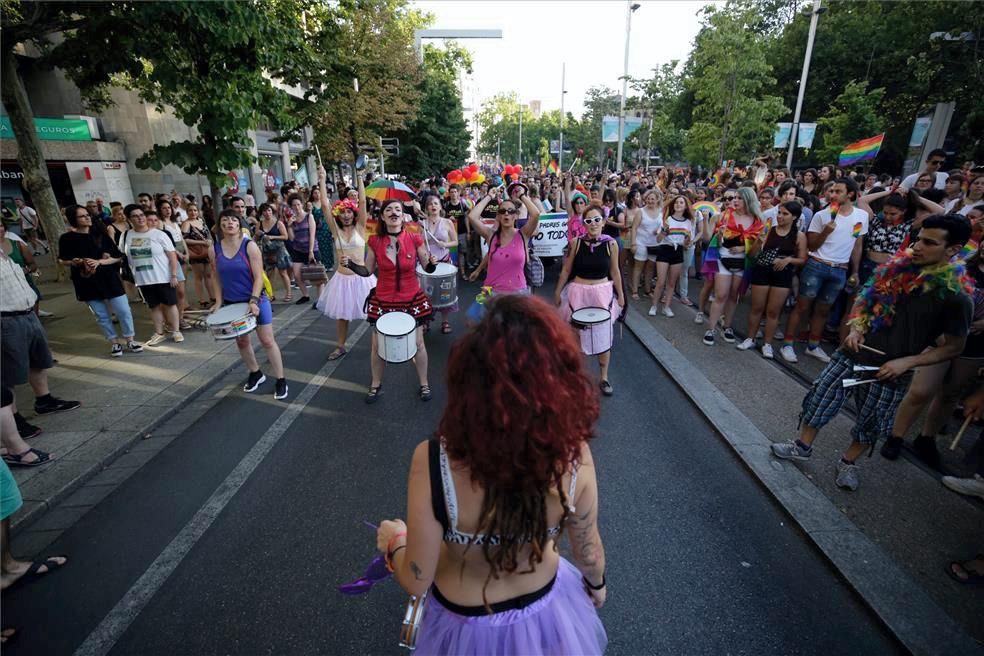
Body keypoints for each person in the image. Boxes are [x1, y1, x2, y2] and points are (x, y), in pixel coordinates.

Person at [373, 295, 607, 656]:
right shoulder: (573, 455)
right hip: (549, 613)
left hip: (464, 627)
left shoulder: (434, 459)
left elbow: (417, 579)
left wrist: (396, 542)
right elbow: (588, 552)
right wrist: (596, 585)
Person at [771, 214, 973, 491]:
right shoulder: (896, 269)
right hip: (852, 354)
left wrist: (908, 362)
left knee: (872, 421)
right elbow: (866, 303)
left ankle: (848, 462)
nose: (917, 246)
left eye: (929, 242)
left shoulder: (956, 296)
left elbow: (954, 347)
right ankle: (802, 446)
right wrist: (856, 329)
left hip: (890, 371)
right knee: (820, 399)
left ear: (952, 250)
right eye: (918, 238)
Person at [345, 198, 437, 403]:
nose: (394, 212)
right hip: (383, 299)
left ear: (403, 215)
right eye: (389, 210)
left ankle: (424, 384)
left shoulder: (414, 238)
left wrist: (431, 263)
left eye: (398, 209)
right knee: (377, 346)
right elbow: (367, 270)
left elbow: (427, 267)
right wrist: (351, 264)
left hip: (411, 298)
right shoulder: (375, 241)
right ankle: (375, 384)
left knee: (419, 343)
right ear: (383, 216)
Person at [780, 178, 867, 363]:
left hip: (840, 270)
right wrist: (826, 232)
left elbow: (856, 244)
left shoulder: (861, 216)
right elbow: (811, 244)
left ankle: (813, 346)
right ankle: (787, 344)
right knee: (802, 306)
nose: (832, 194)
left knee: (823, 310)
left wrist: (855, 271)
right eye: (832, 191)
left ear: (850, 194)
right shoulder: (822, 215)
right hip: (817, 265)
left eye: (837, 191)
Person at [1, 246, 80, 441]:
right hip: (6, 320)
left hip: (28, 313)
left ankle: (44, 400)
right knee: (8, 374)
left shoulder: (5, 254)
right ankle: (12, 417)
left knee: (39, 360)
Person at [208, 209, 288, 399]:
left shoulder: (250, 246)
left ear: (239, 224)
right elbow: (216, 276)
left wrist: (253, 301)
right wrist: (218, 302)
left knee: (267, 340)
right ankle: (255, 372)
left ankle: (281, 379)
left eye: (234, 220)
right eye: (225, 220)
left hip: (256, 299)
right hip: (232, 302)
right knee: (242, 340)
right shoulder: (214, 249)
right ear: (220, 225)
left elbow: (259, 276)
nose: (229, 223)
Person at [554, 201, 624, 395]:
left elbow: (615, 272)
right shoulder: (576, 243)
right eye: (589, 220)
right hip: (578, 293)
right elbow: (566, 269)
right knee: (576, 335)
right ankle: (577, 377)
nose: (593, 224)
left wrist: (622, 297)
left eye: (597, 220)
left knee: (603, 335)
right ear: (583, 223)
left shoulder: (611, 244)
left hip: (602, 294)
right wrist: (558, 292)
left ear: (603, 222)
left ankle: (604, 377)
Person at [57, 205, 142, 357]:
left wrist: (100, 262)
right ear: (73, 220)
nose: (87, 217)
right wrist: (75, 261)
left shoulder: (100, 234)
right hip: (86, 280)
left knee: (123, 310)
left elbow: (118, 256)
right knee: (101, 315)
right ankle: (114, 343)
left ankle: (130, 339)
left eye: (87, 214)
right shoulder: (66, 238)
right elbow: (63, 260)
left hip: (108, 277)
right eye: (82, 216)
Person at [316, 167, 374, 361]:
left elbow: (364, 201)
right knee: (342, 316)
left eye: (350, 211)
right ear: (339, 214)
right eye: (343, 212)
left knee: (373, 313)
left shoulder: (360, 227)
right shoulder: (335, 230)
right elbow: (324, 205)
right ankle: (340, 346)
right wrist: (322, 179)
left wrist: (359, 178)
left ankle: (380, 343)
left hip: (362, 278)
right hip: (342, 279)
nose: (346, 215)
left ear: (354, 213)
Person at [736, 201, 807, 358]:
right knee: (756, 307)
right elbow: (752, 255)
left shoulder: (799, 236)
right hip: (762, 270)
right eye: (779, 213)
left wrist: (788, 260)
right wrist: (759, 242)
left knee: (773, 311)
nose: (780, 216)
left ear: (794, 217)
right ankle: (751, 338)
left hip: (782, 274)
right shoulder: (767, 230)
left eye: (785, 214)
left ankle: (768, 344)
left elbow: (802, 259)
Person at [700, 186, 766, 346]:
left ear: (748, 200)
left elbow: (759, 245)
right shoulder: (724, 216)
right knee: (720, 295)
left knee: (733, 296)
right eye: (734, 197)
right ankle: (711, 329)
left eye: (739, 198)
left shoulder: (758, 221)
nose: (735, 201)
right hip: (723, 259)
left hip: (743, 263)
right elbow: (711, 239)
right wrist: (718, 233)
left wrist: (744, 248)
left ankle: (727, 327)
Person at [465, 184, 542, 317]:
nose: (506, 214)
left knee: (515, 332)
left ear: (516, 216)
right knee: (476, 320)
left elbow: (535, 214)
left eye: (510, 211)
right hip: (489, 291)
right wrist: (489, 196)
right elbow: (472, 217)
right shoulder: (491, 235)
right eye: (502, 211)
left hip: (518, 293)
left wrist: (522, 196)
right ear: (498, 217)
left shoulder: (523, 234)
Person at [122, 204, 182, 346]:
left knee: (170, 304)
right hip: (142, 279)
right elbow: (122, 255)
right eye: (135, 216)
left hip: (163, 277)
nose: (140, 218)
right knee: (153, 306)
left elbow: (172, 256)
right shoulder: (127, 235)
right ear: (129, 219)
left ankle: (176, 331)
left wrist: (173, 275)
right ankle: (159, 333)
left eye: (141, 215)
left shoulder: (159, 234)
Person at [648, 194, 694, 318]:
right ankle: (654, 305)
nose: (678, 204)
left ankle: (666, 307)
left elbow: (686, 244)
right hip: (665, 249)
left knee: (672, 283)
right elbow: (658, 239)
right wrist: (663, 232)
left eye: (681, 203)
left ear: (685, 207)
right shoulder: (667, 219)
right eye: (676, 202)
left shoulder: (689, 222)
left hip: (678, 250)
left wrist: (688, 241)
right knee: (661, 281)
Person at [421, 195, 458, 334]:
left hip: (444, 261)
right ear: (427, 208)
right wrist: (427, 257)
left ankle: (445, 321)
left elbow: (455, 241)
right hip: (428, 262)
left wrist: (445, 244)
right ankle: (426, 320)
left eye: (436, 203)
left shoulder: (448, 222)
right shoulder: (422, 224)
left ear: (441, 206)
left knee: (445, 292)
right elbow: (420, 244)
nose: (433, 206)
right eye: (430, 204)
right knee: (426, 292)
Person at [629, 188, 664, 300]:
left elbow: (662, 226)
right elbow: (634, 228)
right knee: (639, 266)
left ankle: (648, 290)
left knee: (650, 267)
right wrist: (633, 243)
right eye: (648, 199)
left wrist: (659, 231)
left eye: (652, 199)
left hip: (654, 243)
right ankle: (635, 290)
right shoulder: (641, 211)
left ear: (657, 200)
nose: (650, 201)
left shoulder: (661, 211)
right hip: (641, 242)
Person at [254, 202, 292, 302]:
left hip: (279, 249)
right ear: (262, 213)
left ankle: (288, 293)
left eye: (269, 210)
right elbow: (256, 238)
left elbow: (285, 236)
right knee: (269, 273)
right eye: (265, 211)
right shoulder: (259, 224)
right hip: (267, 251)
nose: (267, 213)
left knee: (283, 272)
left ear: (272, 211)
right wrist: (257, 235)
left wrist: (272, 237)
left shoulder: (278, 223)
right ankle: (270, 294)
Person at [286, 194, 320, 306]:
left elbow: (312, 235)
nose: (296, 207)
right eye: (294, 205)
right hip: (298, 250)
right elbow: (291, 238)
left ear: (302, 204)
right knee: (297, 275)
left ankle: (320, 299)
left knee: (317, 276)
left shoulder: (309, 216)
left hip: (311, 249)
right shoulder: (293, 219)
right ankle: (305, 295)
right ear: (291, 207)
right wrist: (289, 226)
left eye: (298, 204)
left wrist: (311, 252)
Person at [182, 203, 215, 308]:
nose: (193, 212)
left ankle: (212, 296)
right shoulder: (186, 224)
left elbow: (208, 234)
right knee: (199, 276)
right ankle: (202, 299)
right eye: (190, 210)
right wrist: (201, 243)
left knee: (209, 275)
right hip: (196, 253)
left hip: (207, 251)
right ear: (187, 212)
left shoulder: (201, 221)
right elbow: (184, 239)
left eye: (195, 210)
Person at [310, 185, 335, 272]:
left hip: (326, 226)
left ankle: (329, 264)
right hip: (316, 228)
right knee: (319, 247)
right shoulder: (311, 204)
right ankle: (322, 264)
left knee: (328, 246)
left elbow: (332, 214)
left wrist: (333, 229)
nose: (316, 194)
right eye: (315, 193)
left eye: (318, 192)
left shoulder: (326, 202)